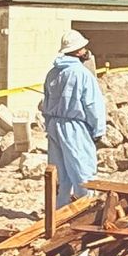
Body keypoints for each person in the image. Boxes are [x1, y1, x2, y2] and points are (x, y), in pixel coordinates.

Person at [42, 28, 107, 206]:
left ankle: (57, 212)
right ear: (78, 51)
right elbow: (93, 105)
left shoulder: (52, 73)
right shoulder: (82, 74)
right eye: (84, 48)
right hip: (75, 127)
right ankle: (86, 208)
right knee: (82, 170)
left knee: (58, 174)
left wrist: (49, 124)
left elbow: (45, 102)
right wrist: (98, 130)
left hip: (54, 125)